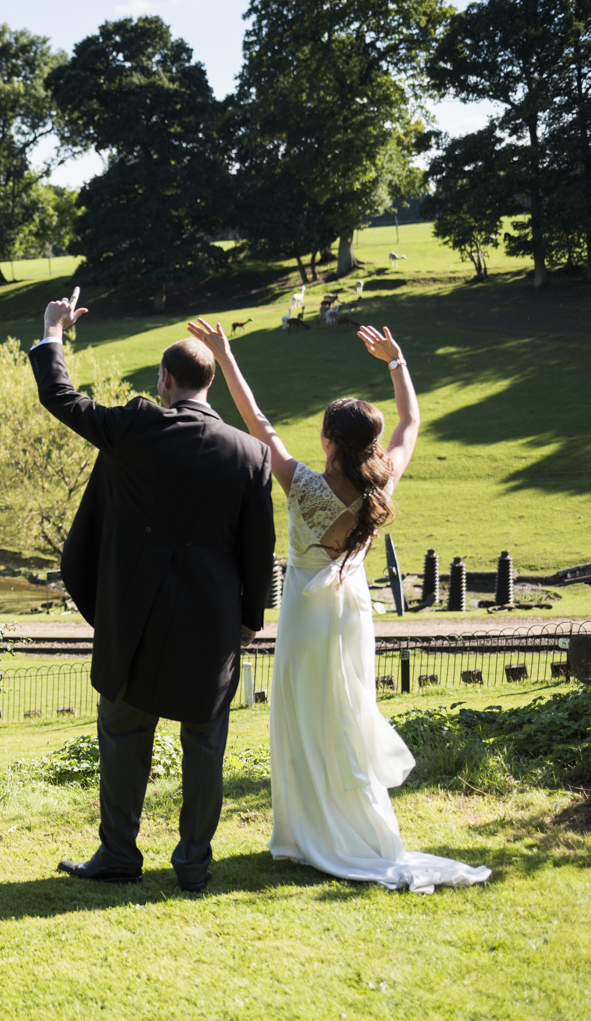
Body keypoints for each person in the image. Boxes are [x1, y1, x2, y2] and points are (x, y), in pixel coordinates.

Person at [187, 317, 490, 892]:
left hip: (306, 617)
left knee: (303, 720)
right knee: (346, 716)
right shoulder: (381, 486)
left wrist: (224, 355)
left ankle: (305, 837)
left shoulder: (303, 486)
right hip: (351, 614)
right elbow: (411, 421)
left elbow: (258, 422)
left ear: (327, 440)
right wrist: (396, 362)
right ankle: (343, 829)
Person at [33, 288, 275, 893]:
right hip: (212, 620)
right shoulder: (251, 455)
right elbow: (258, 549)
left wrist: (53, 331)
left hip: (132, 615)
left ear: (165, 379)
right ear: (209, 385)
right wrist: (251, 618)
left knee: (122, 733)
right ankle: (193, 864)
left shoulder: (137, 426)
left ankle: (118, 854)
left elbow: (61, 397)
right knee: (205, 744)